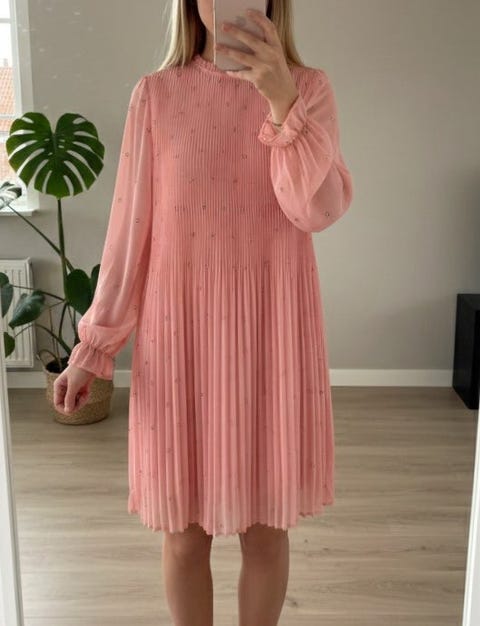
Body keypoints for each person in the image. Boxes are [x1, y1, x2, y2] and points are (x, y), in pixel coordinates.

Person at [53, 0, 353, 624]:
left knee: (266, 532)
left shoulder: (311, 89)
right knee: (184, 536)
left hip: (273, 335)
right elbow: (130, 232)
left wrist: (282, 101)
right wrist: (94, 348)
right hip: (180, 334)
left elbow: (315, 210)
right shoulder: (156, 96)